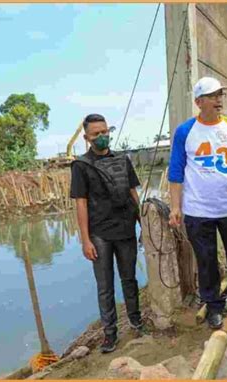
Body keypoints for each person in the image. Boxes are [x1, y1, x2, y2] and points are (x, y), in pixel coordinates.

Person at [168, 77, 227, 329]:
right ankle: (214, 305)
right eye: (212, 95)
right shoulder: (185, 131)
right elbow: (176, 171)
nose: (219, 100)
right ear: (198, 102)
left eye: (220, 95)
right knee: (205, 260)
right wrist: (175, 207)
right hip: (198, 210)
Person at [70, 113, 143, 353]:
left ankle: (136, 321)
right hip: (99, 234)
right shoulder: (81, 165)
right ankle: (109, 334)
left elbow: (133, 192)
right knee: (105, 286)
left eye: (104, 132)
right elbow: (80, 203)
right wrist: (85, 240)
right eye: (96, 134)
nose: (102, 137)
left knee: (129, 279)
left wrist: (143, 223)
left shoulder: (123, 160)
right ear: (87, 138)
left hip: (125, 229)